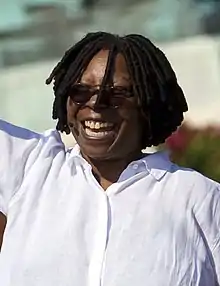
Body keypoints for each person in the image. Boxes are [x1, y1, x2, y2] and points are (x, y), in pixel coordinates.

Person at [0, 32, 219, 286]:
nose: (95, 104)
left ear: (147, 104)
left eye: (116, 94)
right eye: (80, 91)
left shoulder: (200, 199)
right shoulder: (30, 167)